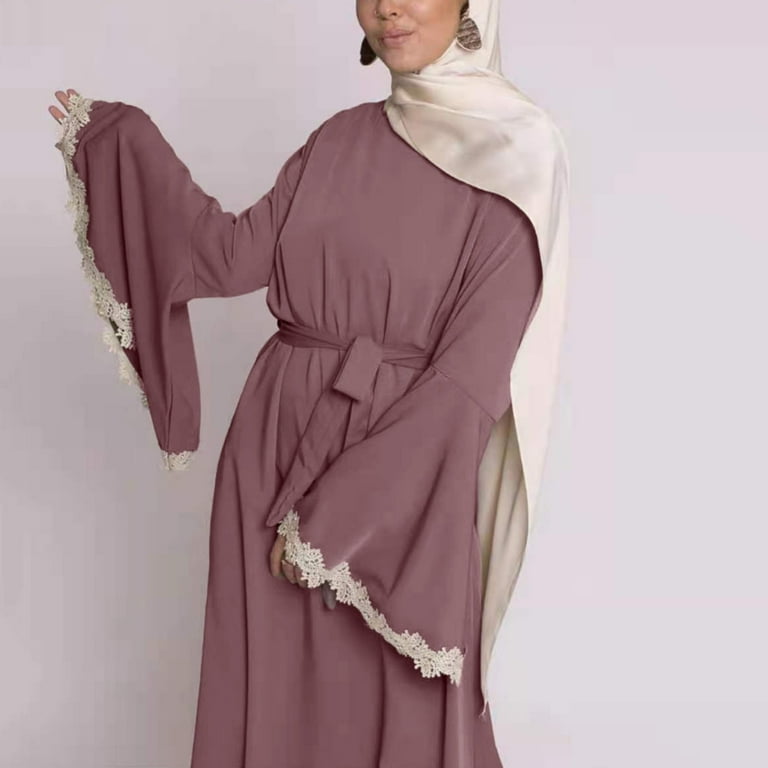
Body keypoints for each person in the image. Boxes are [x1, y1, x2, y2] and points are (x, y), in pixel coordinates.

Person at [48, 1, 569, 765]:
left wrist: (337, 520)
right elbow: (225, 256)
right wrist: (120, 145)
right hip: (274, 456)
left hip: (403, 484)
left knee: (400, 709)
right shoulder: (340, 139)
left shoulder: (521, 155)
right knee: (275, 703)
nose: (387, 7)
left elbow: (469, 384)